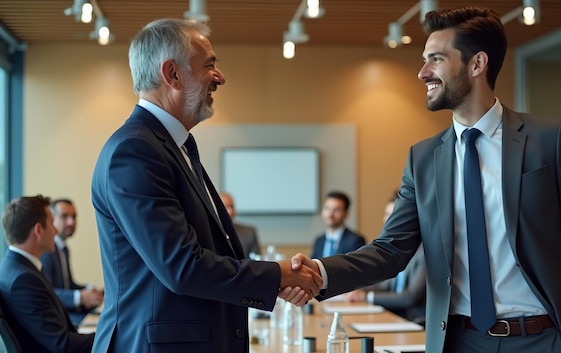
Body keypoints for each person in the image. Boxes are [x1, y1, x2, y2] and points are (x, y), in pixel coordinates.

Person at [286, 7, 561, 353]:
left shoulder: (550, 140)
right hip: (458, 341)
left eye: (436, 59)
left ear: (477, 65)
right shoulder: (423, 158)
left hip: (545, 339)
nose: (422, 72)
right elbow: (390, 250)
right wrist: (319, 273)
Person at [90, 18, 321, 353]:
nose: (220, 77)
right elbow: (183, 267)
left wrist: (277, 279)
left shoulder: (177, 145)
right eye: (209, 65)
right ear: (172, 74)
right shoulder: (136, 151)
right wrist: (279, 275)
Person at [0, 195, 94, 353]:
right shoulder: (23, 279)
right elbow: (62, 345)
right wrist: (112, 337)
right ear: (38, 230)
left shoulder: (16, 267)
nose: (56, 230)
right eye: (51, 223)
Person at [345, 196, 427, 322]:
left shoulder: (424, 251)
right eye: (386, 214)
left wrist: (367, 296)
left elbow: (410, 297)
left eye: (391, 215)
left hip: (416, 322)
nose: (385, 220)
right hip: (395, 318)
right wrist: (358, 289)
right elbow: (386, 285)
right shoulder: (398, 249)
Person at [40, 198, 104, 324]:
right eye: (64, 216)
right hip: (59, 319)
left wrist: (90, 290)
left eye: (74, 216)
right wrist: (80, 297)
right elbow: (48, 292)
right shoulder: (46, 252)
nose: (71, 222)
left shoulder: (63, 249)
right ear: (52, 219)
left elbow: (68, 285)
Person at [310, 191, 366, 258]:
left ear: (346, 214)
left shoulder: (355, 240)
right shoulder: (319, 241)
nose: (330, 214)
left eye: (336, 210)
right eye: (327, 208)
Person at [219, 192, 261, 258]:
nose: (231, 211)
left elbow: (256, 260)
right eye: (226, 207)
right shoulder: (208, 232)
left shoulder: (249, 232)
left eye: (232, 206)